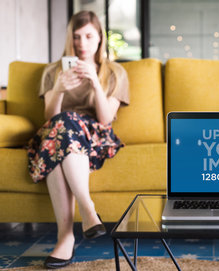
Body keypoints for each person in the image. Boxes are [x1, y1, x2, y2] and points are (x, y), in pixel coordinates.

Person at [27, 11, 129, 269]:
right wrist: (60, 88)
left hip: (94, 138)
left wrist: (95, 82)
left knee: (63, 130)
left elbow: (106, 120)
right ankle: (88, 210)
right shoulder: (52, 71)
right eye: (76, 37)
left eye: (88, 36)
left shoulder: (115, 72)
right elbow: (50, 117)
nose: (82, 43)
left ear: (99, 39)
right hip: (56, 134)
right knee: (61, 125)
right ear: (69, 39)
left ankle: (65, 237)